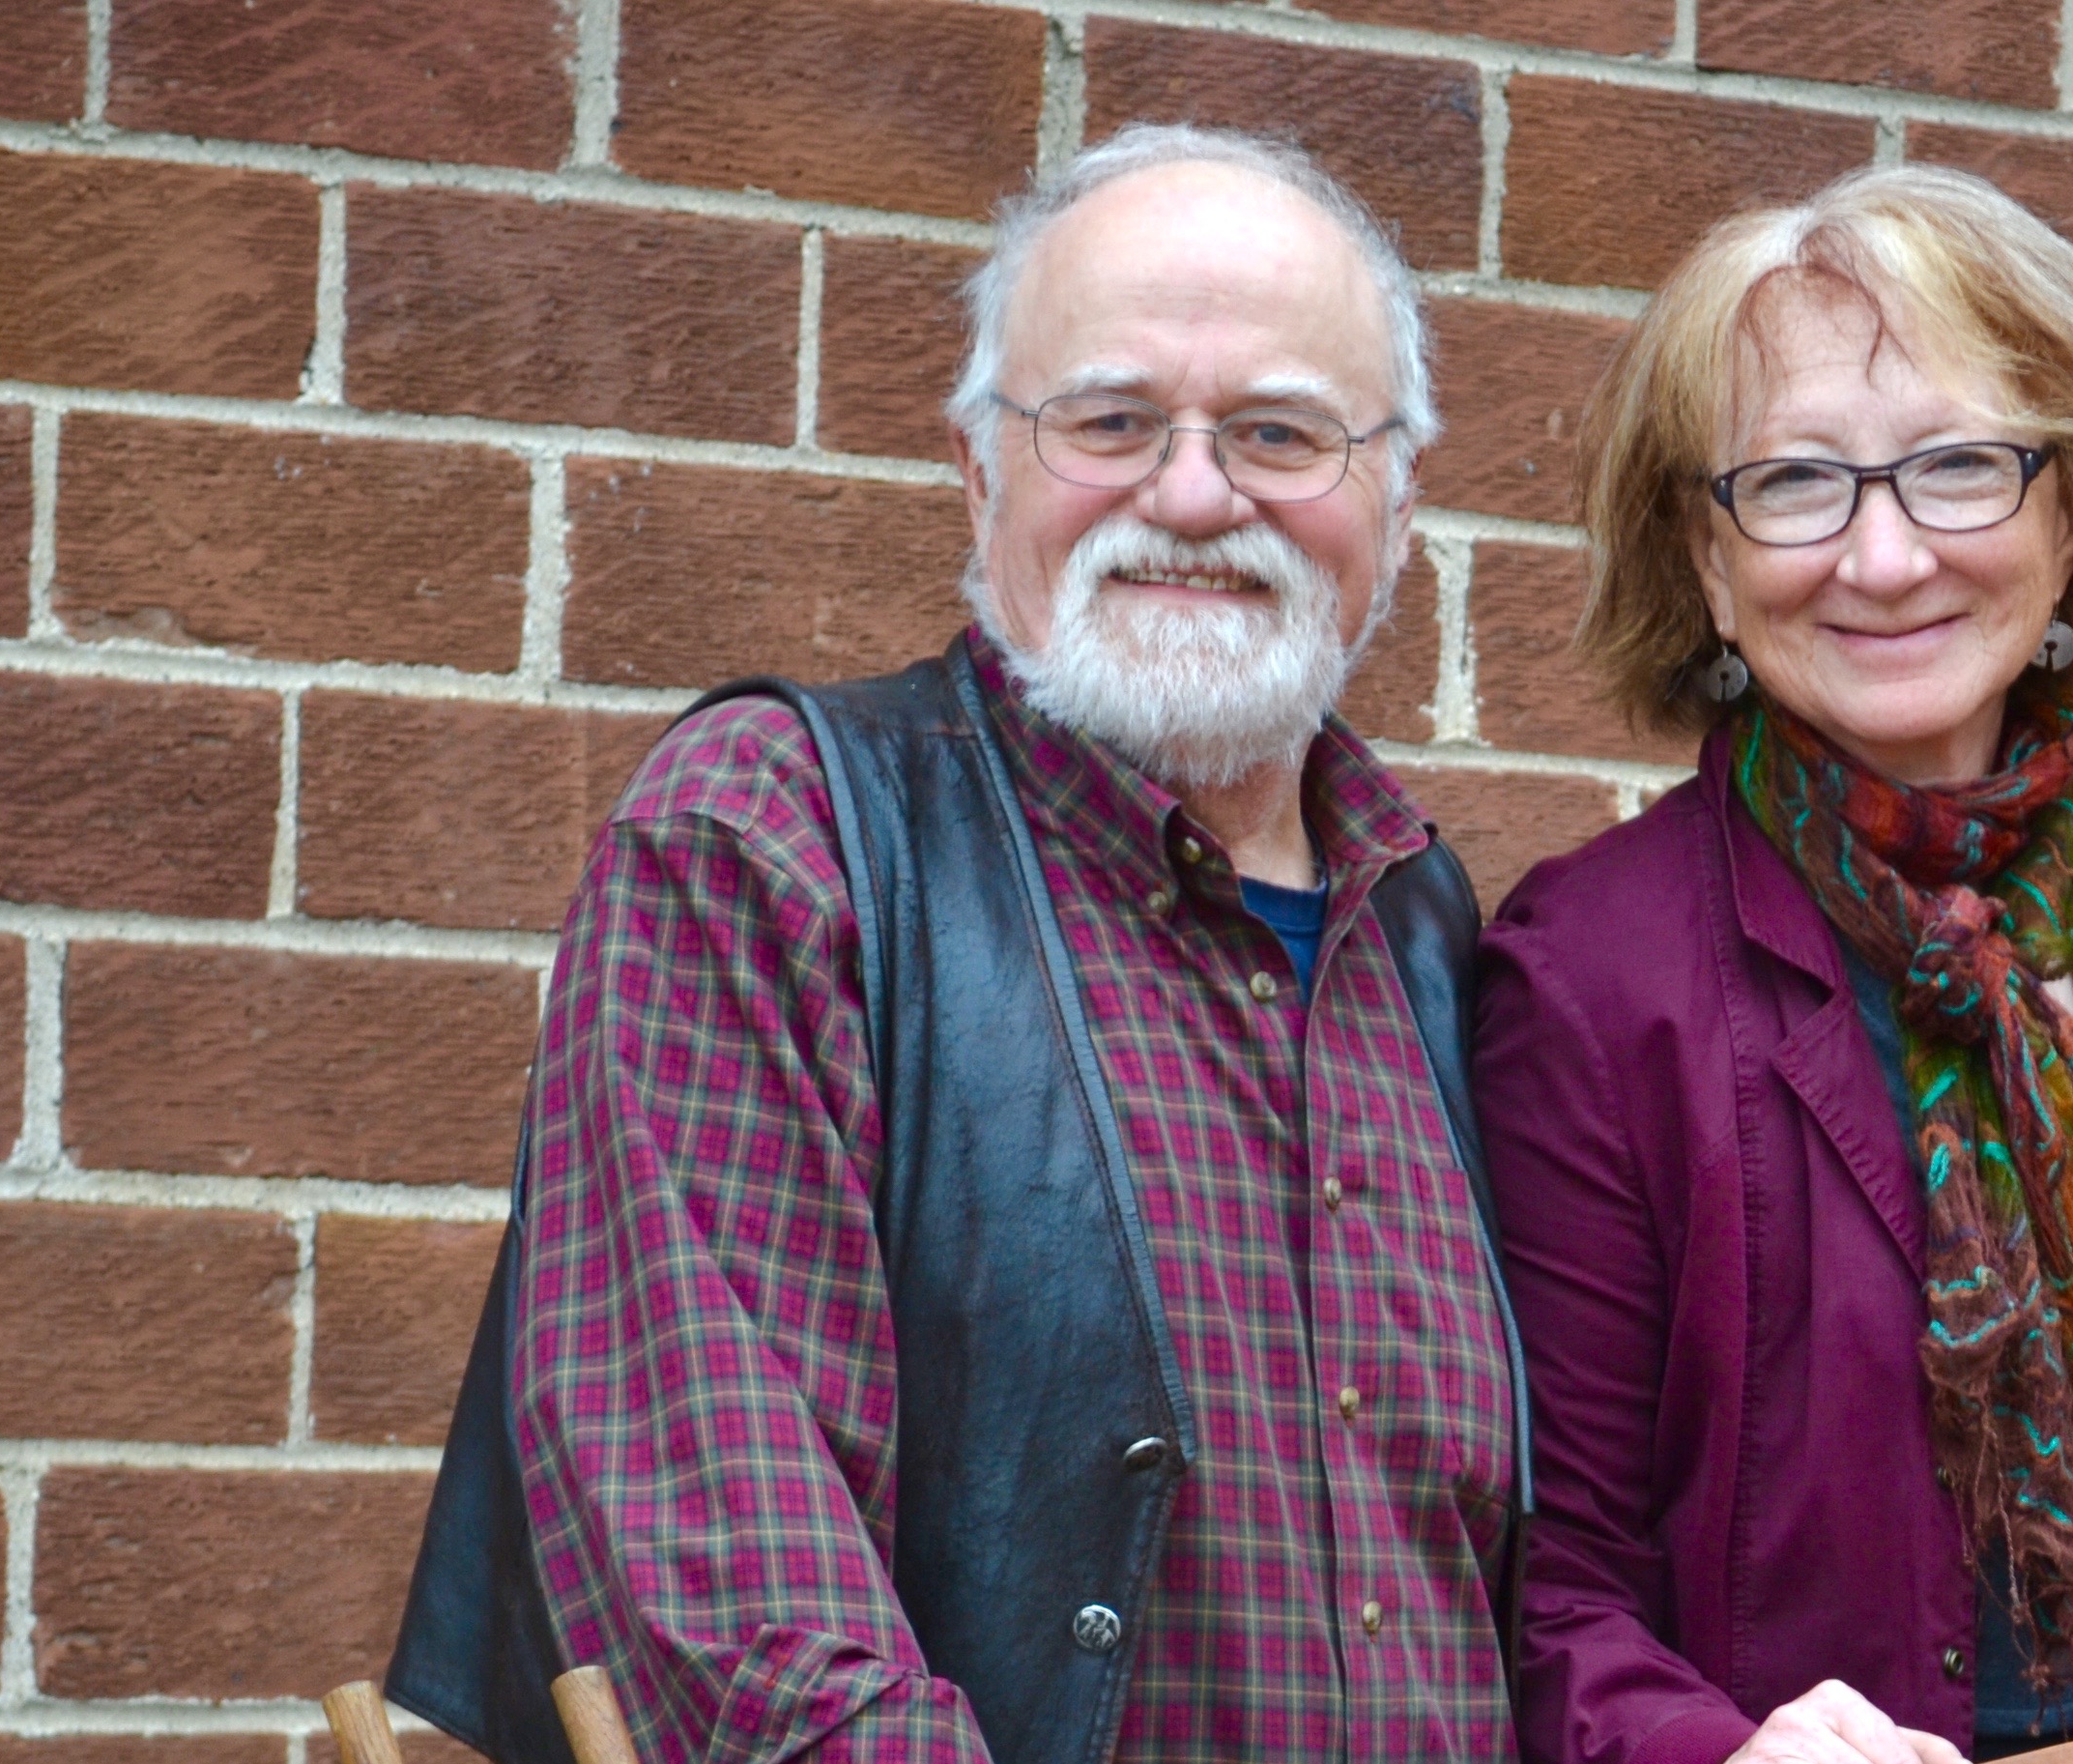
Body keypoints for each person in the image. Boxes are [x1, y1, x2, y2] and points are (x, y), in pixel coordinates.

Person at [382, 126, 1525, 1764]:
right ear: (981, 470)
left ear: (1395, 498)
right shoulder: (775, 834)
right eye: (1112, 420)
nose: (1193, 494)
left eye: (1278, 431)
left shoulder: (1421, 926)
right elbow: (737, 1606)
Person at [1478, 166, 2073, 1764]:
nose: (1887, 553)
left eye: (1960, 467)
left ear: (2069, 519)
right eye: (1792, 485)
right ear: (1705, 564)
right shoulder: (1590, 977)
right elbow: (1531, 1588)